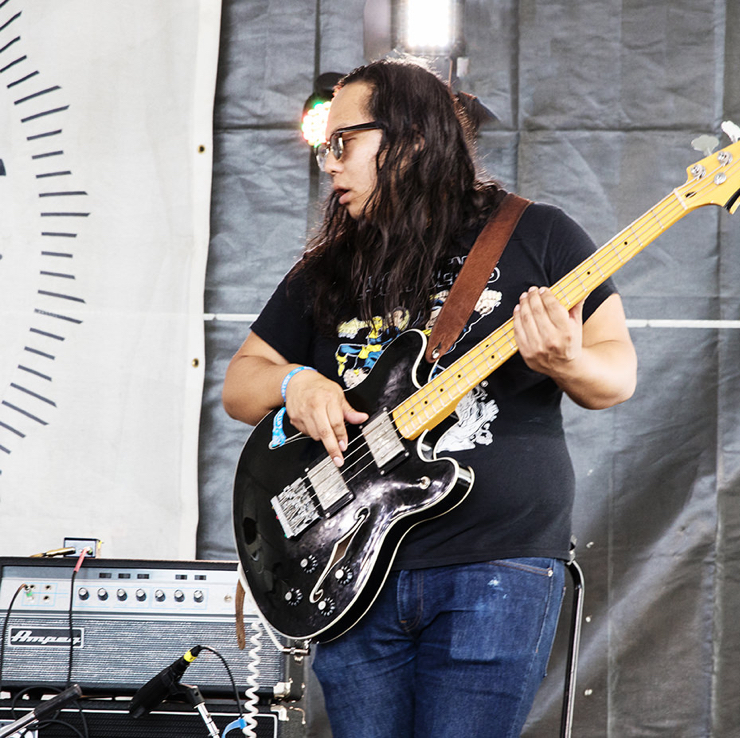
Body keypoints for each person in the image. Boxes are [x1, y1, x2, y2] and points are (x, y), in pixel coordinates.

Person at [222, 57, 637, 738]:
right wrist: (294, 382)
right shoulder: (331, 265)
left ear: (410, 139)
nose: (328, 163)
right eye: (325, 146)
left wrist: (567, 360)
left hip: (496, 563)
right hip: (350, 570)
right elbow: (243, 383)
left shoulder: (541, 236)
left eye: (343, 142)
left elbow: (616, 375)